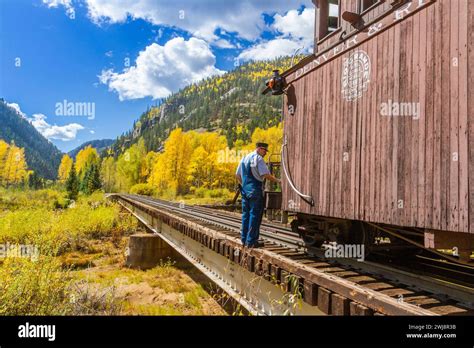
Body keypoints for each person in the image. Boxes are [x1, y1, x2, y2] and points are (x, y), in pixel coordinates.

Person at [235, 142, 281, 248]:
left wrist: (244, 185)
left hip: (245, 191)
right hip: (255, 190)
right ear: (260, 149)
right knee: (255, 215)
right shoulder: (258, 159)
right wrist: (278, 180)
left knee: (246, 215)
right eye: (264, 150)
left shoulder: (244, 158)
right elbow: (265, 174)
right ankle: (251, 242)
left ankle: (244, 239)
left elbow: (237, 175)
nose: (265, 153)